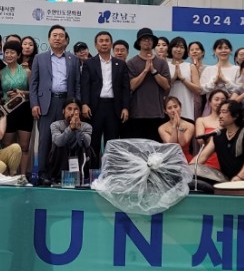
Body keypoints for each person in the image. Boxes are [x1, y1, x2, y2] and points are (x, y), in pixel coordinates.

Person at [30, 25, 80, 181]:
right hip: (46, 103)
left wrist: (76, 107)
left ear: (66, 40)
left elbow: (77, 84)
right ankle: (43, 174)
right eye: (54, 35)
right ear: (49, 39)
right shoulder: (39, 58)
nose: (57, 38)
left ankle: (59, 174)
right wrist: (34, 104)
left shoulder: (73, 59)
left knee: (65, 138)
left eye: (61, 36)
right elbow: (33, 84)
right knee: (45, 140)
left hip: (66, 104)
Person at [80, 30, 130, 166]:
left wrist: (125, 107)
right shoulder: (89, 63)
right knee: (93, 141)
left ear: (111, 44)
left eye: (107, 41)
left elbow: (125, 88)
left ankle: (110, 171)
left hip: (114, 108)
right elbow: (85, 86)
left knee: (112, 142)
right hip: (94, 108)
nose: (104, 43)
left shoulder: (120, 64)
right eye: (101, 41)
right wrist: (84, 104)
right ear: (96, 45)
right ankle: (92, 172)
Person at [194, 99, 244, 183]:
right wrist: (188, 170)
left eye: (224, 112)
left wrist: (239, 177)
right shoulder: (218, 136)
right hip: (226, 181)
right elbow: (202, 157)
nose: (220, 116)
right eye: (220, 112)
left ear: (236, 115)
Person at [126, 27, 171, 141]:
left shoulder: (161, 63)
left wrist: (154, 71)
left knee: (155, 147)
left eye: (150, 39)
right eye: (144, 39)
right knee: (138, 147)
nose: (147, 41)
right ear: (139, 42)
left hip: (157, 113)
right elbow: (132, 86)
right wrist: (145, 71)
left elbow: (166, 86)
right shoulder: (131, 63)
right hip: (137, 114)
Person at [0, 40, 32, 174]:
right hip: (7, 111)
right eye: (6, 52)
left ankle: (23, 175)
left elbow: (33, 93)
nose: (9, 55)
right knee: (7, 145)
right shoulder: (0, 72)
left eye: (12, 52)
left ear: (18, 55)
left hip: (24, 110)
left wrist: (22, 93)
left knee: (24, 146)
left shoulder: (27, 72)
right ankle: (9, 176)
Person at [190, 88, 229, 186]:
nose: (219, 102)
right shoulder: (201, 120)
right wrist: (219, 130)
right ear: (210, 102)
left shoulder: (229, 121)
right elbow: (200, 140)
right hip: (207, 157)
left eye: (223, 100)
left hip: (224, 158)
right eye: (216, 99)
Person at [47, 99, 93, 181]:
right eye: (69, 109)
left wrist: (78, 129)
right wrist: (70, 128)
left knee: (87, 148)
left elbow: (87, 143)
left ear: (80, 112)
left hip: (78, 157)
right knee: (59, 146)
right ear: (63, 111)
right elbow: (58, 142)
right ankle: (58, 176)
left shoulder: (87, 126)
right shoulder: (55, 125)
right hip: (61, 159)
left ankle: (82, 175)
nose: (72, 113)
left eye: (75, 109)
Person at [168, 37, 202, 121]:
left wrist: (183, 79)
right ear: (171, 48)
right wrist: (173, 79)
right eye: (176, 46)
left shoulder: (190, 66)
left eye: (182, 47)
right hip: (168, 109)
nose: (179, 49)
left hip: (187, 109)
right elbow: (162, 88)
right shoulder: (165, 65)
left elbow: (198, 90)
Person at [157, 95, 195, 160]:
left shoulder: (190, 125)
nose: (173, 110)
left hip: (185, 158)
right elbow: (172, 144)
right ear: (165, 111)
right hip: (170, 158)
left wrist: (179, 125)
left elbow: (182, 143)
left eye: (175, 106)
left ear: (180, 107)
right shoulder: (162, 128)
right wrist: (174, 126)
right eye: (169, 108)